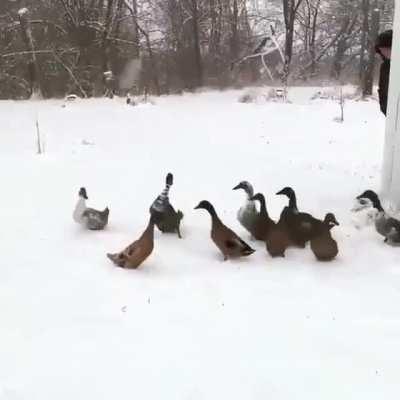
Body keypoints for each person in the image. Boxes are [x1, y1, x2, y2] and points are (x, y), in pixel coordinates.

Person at [375, 29, 392, 116]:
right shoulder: (385, 67)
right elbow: (382, 89)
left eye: (386, 49)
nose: (383, 52)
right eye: (381, 50)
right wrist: (384, 107)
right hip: (389, 113)